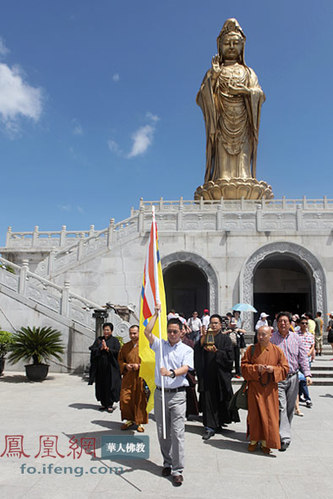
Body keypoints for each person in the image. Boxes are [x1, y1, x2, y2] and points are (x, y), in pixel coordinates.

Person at [196, 18, 265, 184]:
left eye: (236, 43)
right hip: (222, 124)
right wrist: (213, 77)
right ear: (220, 47)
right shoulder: (214, 72)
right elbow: (201, 97)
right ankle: (222, 179)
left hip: (243, 124)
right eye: (227, 43)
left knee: (243, 164)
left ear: (242, 46)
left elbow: (259, 95)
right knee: (223, 172)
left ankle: (244, 179)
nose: (232, 47)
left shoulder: (248, 72)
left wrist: (245, 91)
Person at [144, 305, 193, 487]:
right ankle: (167, 462)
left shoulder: (186, 350)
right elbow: (147, 332)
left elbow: (186, 368)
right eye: (170, 331)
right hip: (160, 394)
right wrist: (156, 315)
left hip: (178, 395)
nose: (172, 334)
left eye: (175, 331)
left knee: (178, 432)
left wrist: (171, 373)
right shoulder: (160, 345)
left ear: (181, 332)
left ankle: (177, 469)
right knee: (163, 431)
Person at [241, 326, 289, 454]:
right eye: (259, 334)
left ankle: (266, 442)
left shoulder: (277, 351)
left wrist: (273, 370)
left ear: (270, 336)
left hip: (270, 390)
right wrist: (257, 369)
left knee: (269, 416)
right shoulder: (251, 350)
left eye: (264, 335)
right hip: (255, 388)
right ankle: (254, 440)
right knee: (254, 415)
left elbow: (285, 368)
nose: (260, 337)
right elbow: (244, 367)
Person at [270, 312, 312, 451]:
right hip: (279, 377)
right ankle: (284, 437)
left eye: (285, 321)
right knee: (281, 406)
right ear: (276, 323)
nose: (283, 324)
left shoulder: (296, 338)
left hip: (293, 376)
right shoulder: (272, 339)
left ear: (290, 323)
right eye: (280, 321)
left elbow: (303, 358)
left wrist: (307, 374)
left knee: (289, 408)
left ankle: (282, 430)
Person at [194, 314, 239, 441]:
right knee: (208, 401)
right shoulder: (206, 337)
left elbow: (230, 357)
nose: (213, 325)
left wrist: (217, 352)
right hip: (207, 376)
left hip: (220, 375)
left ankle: (218, 423)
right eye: (211, 323)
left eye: (216, 323)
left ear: (220, 325)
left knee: (221, 399)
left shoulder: (225, 339)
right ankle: (209, 427)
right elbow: (198, 351)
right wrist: (201, 341)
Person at [118, 325, 148, 432]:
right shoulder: (126, 346)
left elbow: (150, 361)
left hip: (140, 377)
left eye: (135, 333)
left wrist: (139, 366)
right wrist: (125, 365)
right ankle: (129, 420)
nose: (132, 335)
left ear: (139, 333)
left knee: (140, 399)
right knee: (125, 399)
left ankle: (140, 422)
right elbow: (120, 360)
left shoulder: (145, 346)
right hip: (128, 376)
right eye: (131, 333)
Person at [89, 322, 121, 412]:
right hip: (100, 367)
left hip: (110, 367)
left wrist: (108, 349)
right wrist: (100, 349)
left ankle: (110, 404)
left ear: (111, 331)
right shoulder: (99, 339)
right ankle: (103, 403)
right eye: (104, 330)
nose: (106, 332)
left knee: (110, 385)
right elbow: (92, 349)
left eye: (108, 330)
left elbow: (117, 352)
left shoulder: (115, 341)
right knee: (101, 385)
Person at [297, 318, 314, 408]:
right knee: (302, 379)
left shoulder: (310, 335)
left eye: (306, 323)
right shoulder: (296, 335)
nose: (304, 325)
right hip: (298, 360)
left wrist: (309, 354)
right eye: (302, 323)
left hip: (307, 359)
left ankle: (303, 396)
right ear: (299, 324)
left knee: (303, 379)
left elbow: (312, 346)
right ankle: (306, 398)